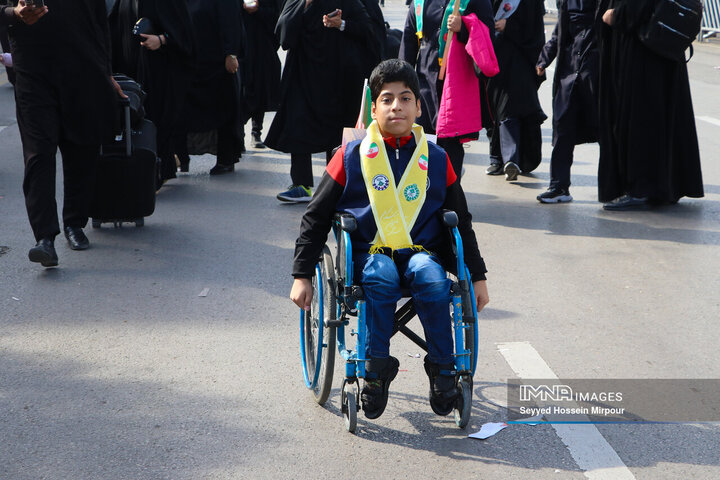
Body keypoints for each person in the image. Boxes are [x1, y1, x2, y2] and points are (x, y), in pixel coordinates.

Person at [290, 60, 490, 419]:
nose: (396, 106)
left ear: (417, 107)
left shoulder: (437, 157)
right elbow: (316, 216)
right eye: (386, 99)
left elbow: (462, 221)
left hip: (421, 253)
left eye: (405, 98)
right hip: (369, 254)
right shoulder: (349, 156)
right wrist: (302, 275)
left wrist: (476, 276)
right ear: (374, 108)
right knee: (381, 275)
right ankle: (376, 371)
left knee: (431, 277)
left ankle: (444, 370)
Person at [5, 0, 124, 267]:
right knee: (39, 153)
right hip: (33, 76)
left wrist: (107, 72)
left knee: (82, 149)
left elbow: (100, 24)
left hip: (84, 71)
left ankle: (74, 222)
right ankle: (44, 237)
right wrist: (15, 13)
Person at [265, 0, 379, 203]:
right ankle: (301, 185)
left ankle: (333, 186)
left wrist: (342, 24)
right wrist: (305, 5)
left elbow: (370, 31)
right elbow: (283, 35)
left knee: (334, 136)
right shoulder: (298, 1)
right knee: (297, 126)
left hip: (337, 80)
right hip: (302, 75)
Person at [596, 0, 703, 210]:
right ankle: (665, 186)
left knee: (640, 117)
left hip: (642, 53)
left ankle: (641, 188)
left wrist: (616, 15)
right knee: (661, 115)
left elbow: (635, 8)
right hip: (659, 48)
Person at [399, 0, 495, 177]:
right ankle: (424, 195)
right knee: (422, 142)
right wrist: (402, 79)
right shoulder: (420, 2)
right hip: (423, 82)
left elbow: (489, 37)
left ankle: (451, 197)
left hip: (456, 84)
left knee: (450, 145)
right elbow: (409, 38)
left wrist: (464, 29)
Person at [115, 0, 195, 186]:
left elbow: (187, 34)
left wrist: (162, 39)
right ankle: (155, 168)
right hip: (131, 70)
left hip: (161, 71)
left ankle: (157, 171)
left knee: (158, 120)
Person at [535, 0, 599, 203]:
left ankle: (616, 188)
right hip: (569, 73)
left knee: (606, 132)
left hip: (596, 73)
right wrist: (544, 58)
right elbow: (559, 33)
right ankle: (559, 187)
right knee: (563, 129)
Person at [178, 0, 244, 175]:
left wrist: (231, 53)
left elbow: (231, 20)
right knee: (183, 109)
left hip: (218, 61)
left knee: (224, 108)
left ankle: (225, 159)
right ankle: (181, 157)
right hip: (190, 60)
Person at [484, 0, 546, 181]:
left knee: (512, 108)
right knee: (495, 109)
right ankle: (498, 159)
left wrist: (509, 26)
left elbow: (534, 29)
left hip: (522, 62)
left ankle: (512, 159)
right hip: (496, 60)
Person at [240, 0, 281, 150]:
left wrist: (258, 10)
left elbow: (278, 16)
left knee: (261, 88)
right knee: (241, 90)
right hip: (241, 45)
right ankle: (239, 133)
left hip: (264, 47)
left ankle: (256, 131)